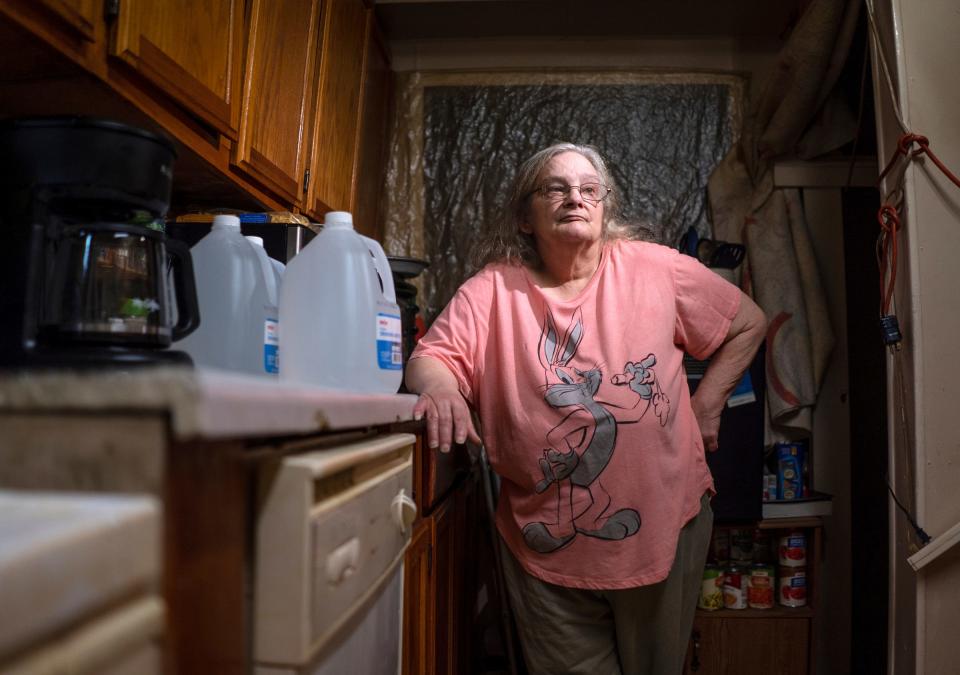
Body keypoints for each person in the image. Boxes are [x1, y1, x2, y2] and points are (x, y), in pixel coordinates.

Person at [405, 142, 766, 675]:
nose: (575, 197)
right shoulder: (492, 290)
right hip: (541, 543)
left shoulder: (657, 269)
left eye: (589, 189)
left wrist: (708, 403)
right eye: (556, 187)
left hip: (664, 526)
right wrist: (439, 388)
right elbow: (430, 356)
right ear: (526, 216)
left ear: (604, 207)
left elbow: (748, 321)